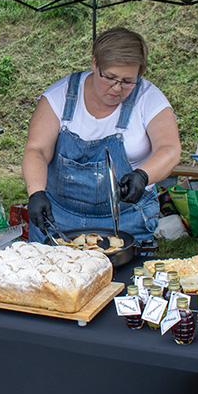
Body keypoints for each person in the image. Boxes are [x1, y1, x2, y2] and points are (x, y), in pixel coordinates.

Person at [22, 27, 181, 243]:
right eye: (110, 77)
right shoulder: (60, 96)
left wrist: (143, 175)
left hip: (127, 219)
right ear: (95, 63)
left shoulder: (149, 99)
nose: (117, 88)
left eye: (128, 81)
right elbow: (37, 149)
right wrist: (36, 192)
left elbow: (170, 149)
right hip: (58, 218)